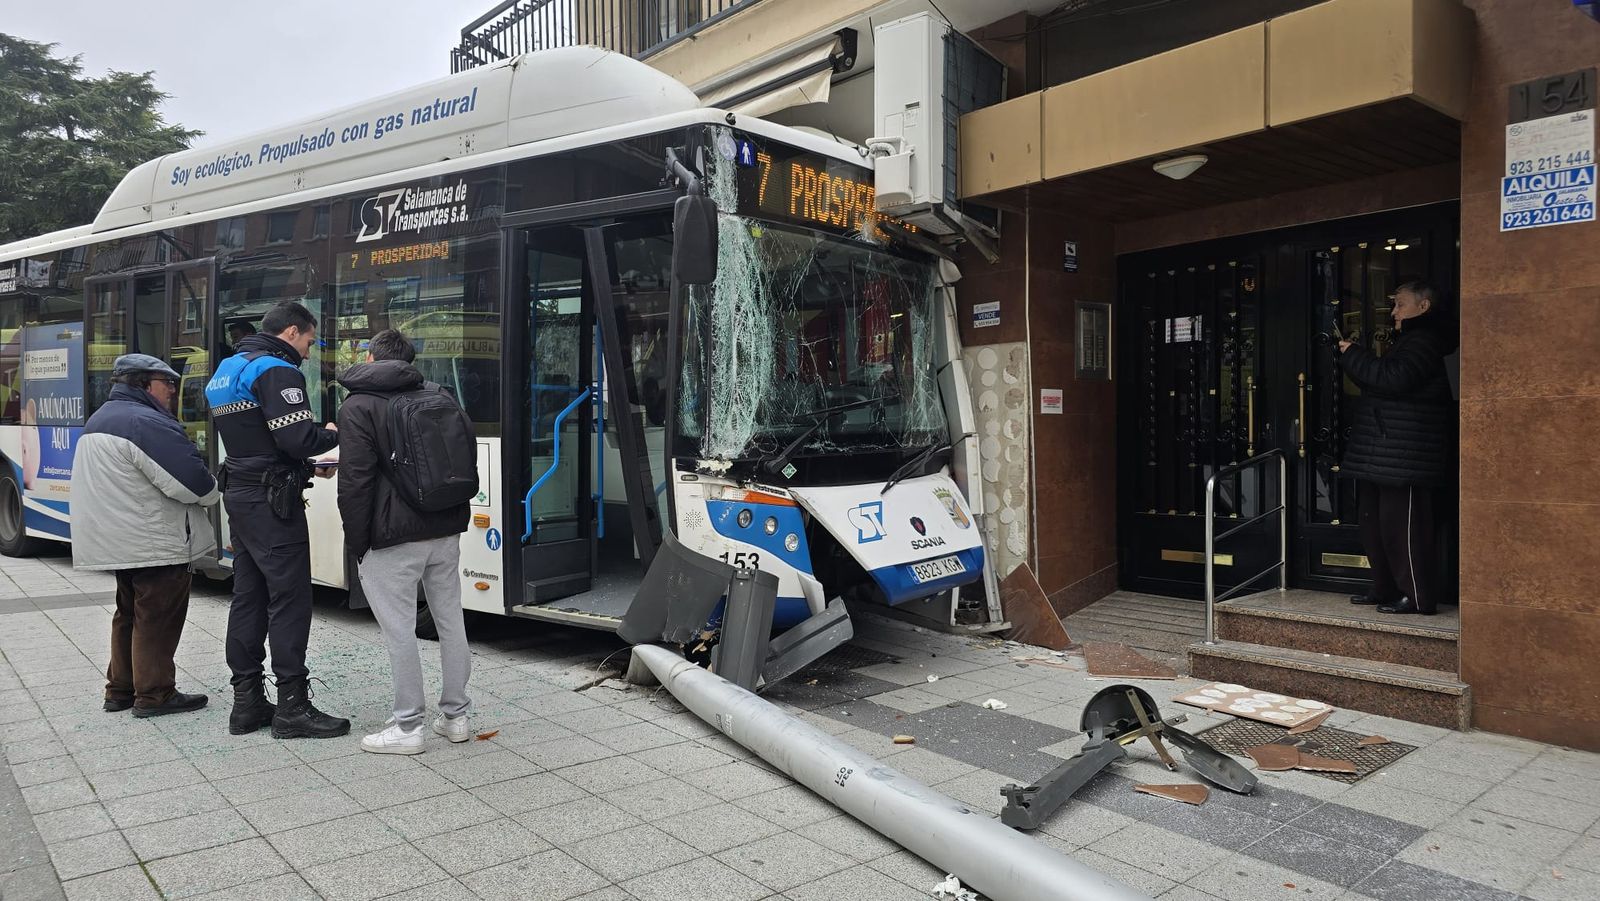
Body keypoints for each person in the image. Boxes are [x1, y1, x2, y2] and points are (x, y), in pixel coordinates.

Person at [204, 301, 347, 738]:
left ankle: (246, 702)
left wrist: (304, 462)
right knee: (289, 599)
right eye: (309, 340)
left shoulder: (226, 370)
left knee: (248, 595)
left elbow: (257, 441)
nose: (308, 351)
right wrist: (333, 436)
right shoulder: (276, 370)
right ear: (290, 332)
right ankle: (292, 707)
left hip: (242, 494)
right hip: (272, 502)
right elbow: (297, 437)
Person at [335, 329, 474, 754]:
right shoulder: (439, 395)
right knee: (451, 621)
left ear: (371, 357)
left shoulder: (357, 405)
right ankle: (456, 717)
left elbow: (355, 481)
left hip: (392, 536)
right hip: (444, 527)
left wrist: (358, 541)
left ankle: (408, 726)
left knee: (400, 631)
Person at [71, 354, 220, 716]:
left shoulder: (101, 418)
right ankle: (155, 694)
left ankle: (119, 690)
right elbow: (193, 484)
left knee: (128, 614)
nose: (172, 389)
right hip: (154, 540)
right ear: (142, 384)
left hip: (120, 537)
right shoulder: (146, 422)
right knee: (157, 616)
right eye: (165, 382)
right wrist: (215, 489)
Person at [1338, 280, 1456, 616]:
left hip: (1405, 457)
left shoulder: (1425, 341)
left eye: (1400, 304)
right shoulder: (1410, 341)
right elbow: (1386, 382)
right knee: (1375, 525)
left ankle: (1416, 597)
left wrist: (1354, 355)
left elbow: (1395, 379)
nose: (1393, 312)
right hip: (1387, 452)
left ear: (1423, 307)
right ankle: (1386, 587)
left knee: (1403, 529)